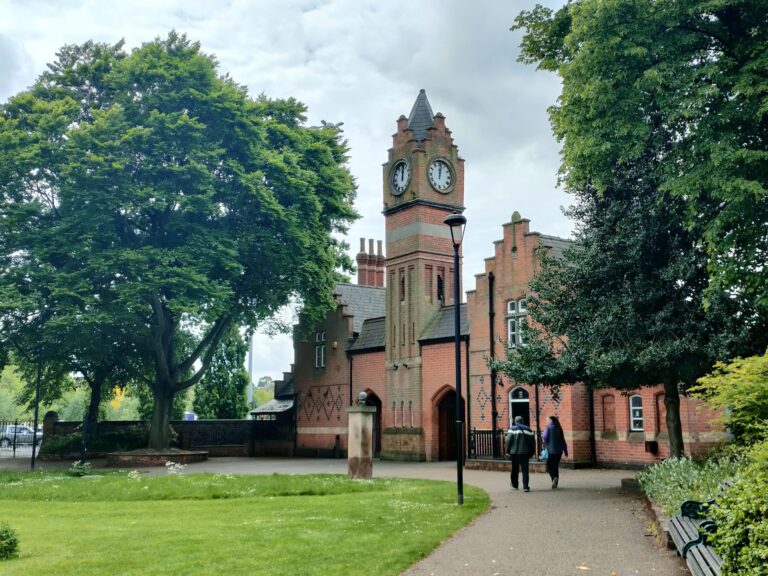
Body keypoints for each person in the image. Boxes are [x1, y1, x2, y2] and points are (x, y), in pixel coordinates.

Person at [505, 415, 535, 492]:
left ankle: (515, 484)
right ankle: (525, 486)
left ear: (515, 421)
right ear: (522, 421)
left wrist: (507, 451)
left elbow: (508, 441)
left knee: (515, 469)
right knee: (525, 470)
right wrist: (532, 452)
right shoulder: (529, 430)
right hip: (525, 453)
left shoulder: (512, 429)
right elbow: (532, 442)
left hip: (514, 453)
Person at [542, 415, 568, 489]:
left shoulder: (548, 428)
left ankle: (554, 478)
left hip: (551, 451)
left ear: (551, 421)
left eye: (548, 420)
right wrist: (566, 452)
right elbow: (563, 441)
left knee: (549, 466)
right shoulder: (559, 428)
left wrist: (543, 437)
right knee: (555, 466)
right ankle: (555, 482)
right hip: (559, 451)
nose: (547, 421)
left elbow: (545, 437)